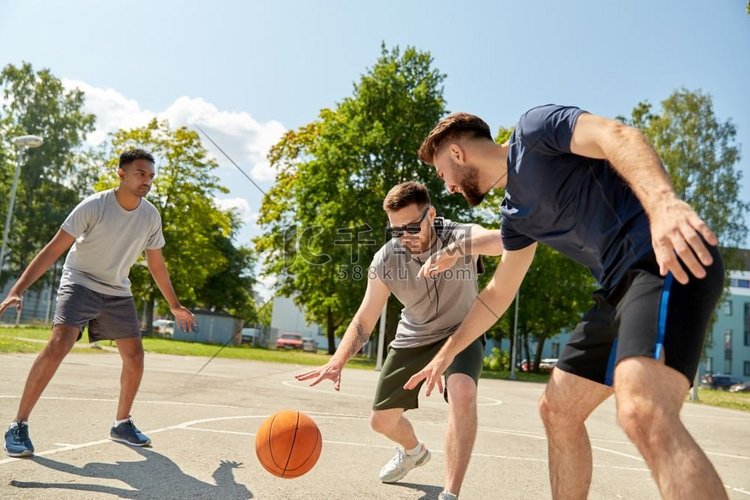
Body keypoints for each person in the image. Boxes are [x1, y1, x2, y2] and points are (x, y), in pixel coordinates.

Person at [406, 106, 726, 499]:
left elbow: (618, 137)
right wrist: (446, 353)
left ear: (457, 153)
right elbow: (497, 295)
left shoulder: (535, 131)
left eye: (442, 175)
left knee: (643, 412)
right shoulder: (515, 216)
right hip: (616, 288)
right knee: (558, 409)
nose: (448, 186)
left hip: (661, 259)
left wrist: (664, 205)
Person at [296, 181, 503, 500]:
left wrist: (456, 249)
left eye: (411, 226)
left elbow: (505, 241)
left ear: (431, 214)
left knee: (462, 392)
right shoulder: (385, 259)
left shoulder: (456, 234)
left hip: (460, 332)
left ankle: (450, 493)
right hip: (414, 336)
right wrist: (338, 360)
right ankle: (413, 452)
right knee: (381, 421)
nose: (404, 236)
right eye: (396, 230)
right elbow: (366, 318)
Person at [1, 148, 195, 458]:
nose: (147, 181)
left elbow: (156, 265)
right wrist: (18, 289)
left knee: (135, 356)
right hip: (80, 281)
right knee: (59, 343)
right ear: (121, 174)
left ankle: (121, 423)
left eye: (150, 176)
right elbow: (53, 250)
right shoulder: (95, 205)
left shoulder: (150, 216)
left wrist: (175, 305)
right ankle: (18, 425)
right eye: (141, 174)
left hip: (117, 290)